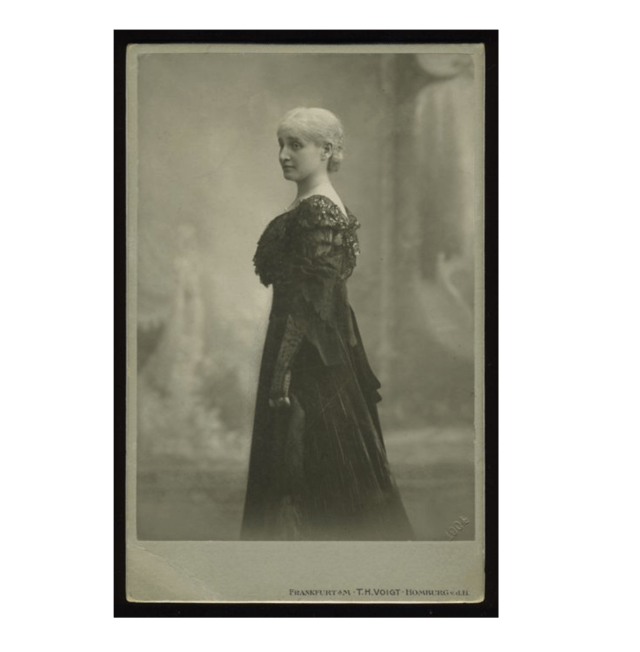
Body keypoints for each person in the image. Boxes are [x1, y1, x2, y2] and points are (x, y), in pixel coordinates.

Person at [240, 107, 413, 541]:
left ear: (328, 150)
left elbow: (310, 304)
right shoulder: (308, 204)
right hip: (305, 348)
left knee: (310, 467)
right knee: (306, 472)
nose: (283, 154)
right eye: (281, 144)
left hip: (311, 358)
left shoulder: (318, 210)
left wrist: (282, 371)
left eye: (295, 145)